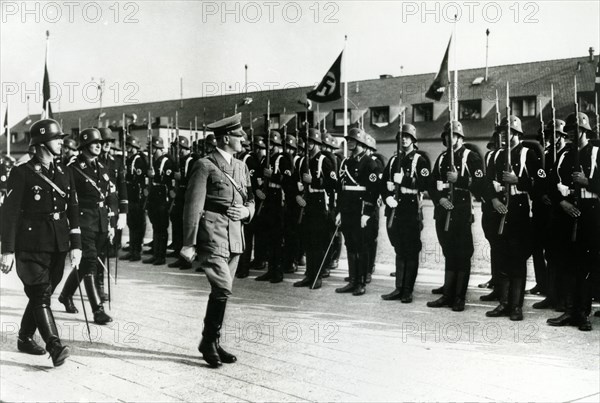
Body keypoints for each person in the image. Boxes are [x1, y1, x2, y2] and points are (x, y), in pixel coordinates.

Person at [1, 119, 81, 367]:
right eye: (57, 139)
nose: (62, 143)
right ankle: (54, 346)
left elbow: (73, 209)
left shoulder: (64, 172)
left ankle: (25, 338)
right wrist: (7, 251)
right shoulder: (22, 172)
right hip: (30, 245)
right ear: (42, 143)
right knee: (40, 294)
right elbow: (9, 214)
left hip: (58, 244)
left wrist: (76, 245)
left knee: (42, 293)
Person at [180, 113, 255, 368]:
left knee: (221, 291)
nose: (243, 139)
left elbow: (251, 199)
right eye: (238, 135)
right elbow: (193, 205)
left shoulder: (241, 166)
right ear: (225, 138)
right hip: (212, 235)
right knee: (223, 287)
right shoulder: (205, 165)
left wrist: (247, 212)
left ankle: (212, 341)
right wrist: (189, 243)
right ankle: (208, 340)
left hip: (235, 237)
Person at [484, 116, 542, 321]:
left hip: (518, 208)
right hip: (499, 209)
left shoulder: (528, 154)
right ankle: (504, 302)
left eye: (508, 132)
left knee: (517, 259)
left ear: (517, 134)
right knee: (502, 257)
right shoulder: (497, 155)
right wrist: (493, 201)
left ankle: (516, 306)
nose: (504, 136)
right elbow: (486, 183)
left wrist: (518, 180)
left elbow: (540, 184)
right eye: (501, 132)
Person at [547, 112, 599, 331]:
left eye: (576, 130)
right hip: (567, 212)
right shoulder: (565, 153)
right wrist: (562, 203)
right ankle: (569, 310)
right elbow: (551, 183)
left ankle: (583, 313)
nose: (571, 134)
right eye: (569, 130)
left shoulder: (596, 151)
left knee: (586, 265)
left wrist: (587, 181)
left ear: (586, 131)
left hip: (592, 211)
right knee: (567, 263)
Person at [427, 121, 484, 312]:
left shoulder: (471, 156)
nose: (448, 138)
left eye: (452, 135)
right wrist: (439, 200)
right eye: (446, 135)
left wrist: (459, 179)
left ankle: (459, 297)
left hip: (461, 211)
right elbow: (432, 183)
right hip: (443, 210)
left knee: (462, 254)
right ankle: (447, 294)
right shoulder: (442, 158)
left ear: (460, 137)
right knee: (449, 252)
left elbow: (480, 184)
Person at [58, 128, 113, 325]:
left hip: (100, 222)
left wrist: (112, 222)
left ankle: (65, 295)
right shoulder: (74, 168)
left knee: (87, 264)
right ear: (84, 146)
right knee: (89, 263)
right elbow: (69, 198)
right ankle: (97, 310)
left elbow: (107, 196)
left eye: (100, 142)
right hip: (83, 222)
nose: (99, 145)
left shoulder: (102, 167)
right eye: (94, 143)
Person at [381, 124, 430, 303]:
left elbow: (425, 183)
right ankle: (398, 287)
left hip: (411, 210)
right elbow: (383, 183)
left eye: (407, 137)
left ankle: (408, 290)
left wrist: (405, 180)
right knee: (399, 249)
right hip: (395, 209)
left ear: (413, 140)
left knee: (411, 250)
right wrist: (387, 198)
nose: (403, 140)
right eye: (401, 137)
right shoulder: (394, 160)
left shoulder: (420, 160)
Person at [335, 128, 381, 296]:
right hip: (347, 210)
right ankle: (352, 280)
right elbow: (342, 190)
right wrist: (339, 212)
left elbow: (373, 190)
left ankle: (361, 282)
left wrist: (367, 213)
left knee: (361, 246)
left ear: (361, 142)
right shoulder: (346, 162)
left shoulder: (369, 163)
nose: (350, 142)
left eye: (353, 140)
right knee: (350, 246)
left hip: (361, 210)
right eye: (348, 140)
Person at [293, 128, 338, 290]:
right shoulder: (304, 160)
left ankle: (317, 276)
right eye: (307, 141)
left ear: (318, 143)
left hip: (320, 204)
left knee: (318, 242)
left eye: (312, 142)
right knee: (308, 241)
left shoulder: (323, 160)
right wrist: (298, 193)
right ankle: (309, 274)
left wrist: (315, 181)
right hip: (307, 204)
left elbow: (334, 184)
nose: (309, 144)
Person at [255, 130, 292, 283]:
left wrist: (273, 176)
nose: (269, 147)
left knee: (277, 237)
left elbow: (288, 179)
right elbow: (259, 175)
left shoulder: (284, 158)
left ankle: (278, 271)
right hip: (267, 199)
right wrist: (258, 188)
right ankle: (270, 270)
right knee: (268, 236)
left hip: (278, 200)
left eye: (272, 144)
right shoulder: (266, 159)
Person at [97, 128, 128, 299]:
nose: (107, 145)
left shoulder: (116, 162)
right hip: (98, 210)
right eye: (103, 142)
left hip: (113, 211)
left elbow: (122, 188)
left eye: (109, 142)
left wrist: (123, 212)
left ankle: (96, 285)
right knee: (97, 251)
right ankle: (98, 286)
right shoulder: (93, 162)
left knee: (108, 249)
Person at [143, 136, 175, 266]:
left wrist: (153, 176)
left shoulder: (166, 161)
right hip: (154, 196)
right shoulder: (155, 161)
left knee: (161, 226)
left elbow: (167, 179)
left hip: (162, 196)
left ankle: (161, 256)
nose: (151, 151)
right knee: (156, 226)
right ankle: (156, 253)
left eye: (153, 148)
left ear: (158, 148)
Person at [168, 136, 198, 270]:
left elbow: (193, 180)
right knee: (177, 226)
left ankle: (187, 259)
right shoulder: (179, 161)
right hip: (179, 197)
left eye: (179, 147)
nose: (177, 150)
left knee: (186, 230)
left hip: (187, 197)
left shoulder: (191, 161)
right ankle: (179, 255)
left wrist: (182, 179)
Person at [236, 135, 263, 278]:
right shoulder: (241, 159)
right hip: (242, 201)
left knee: (246, 235)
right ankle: (241, 265)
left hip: (248, 202)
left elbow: (251, 184)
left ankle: (244, 267)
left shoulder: (249, 160)